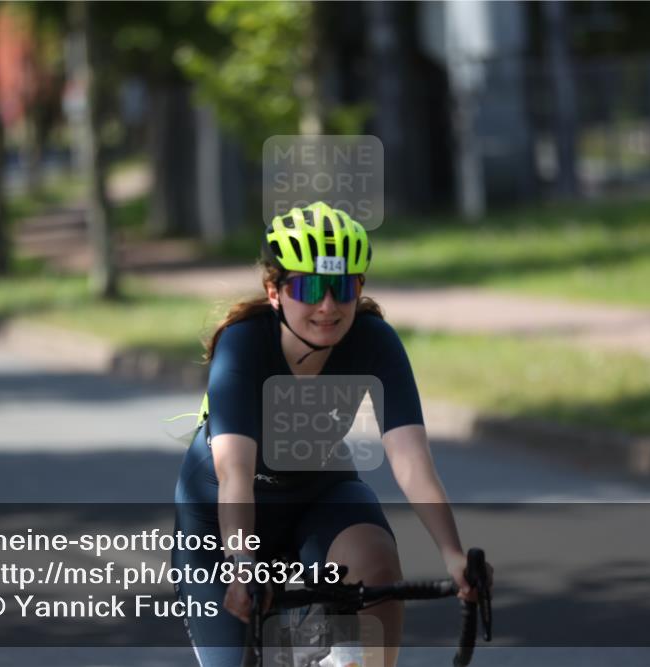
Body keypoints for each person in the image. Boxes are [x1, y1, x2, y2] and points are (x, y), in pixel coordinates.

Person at [172, 202, 492, 667]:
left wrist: (453, 556)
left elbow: (412, 464)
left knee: (376, 565)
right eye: (308, 286)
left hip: (320, 495)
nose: (327, 305)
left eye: (342, 287)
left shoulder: (374, 341)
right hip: (222, 516)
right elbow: (234, 472)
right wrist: (243, 565)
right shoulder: (244, 345)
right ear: (275, 291)